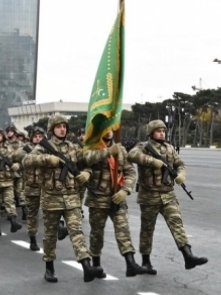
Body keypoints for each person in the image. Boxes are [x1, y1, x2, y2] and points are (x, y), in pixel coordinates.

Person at [23, 114, 104, 283]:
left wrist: (87, 173)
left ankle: (86, 265)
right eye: (59, 126)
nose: (62, 129)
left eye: (64, 126)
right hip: (51, 198)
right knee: (50, 235)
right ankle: (49, 267)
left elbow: (86, 162)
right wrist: (48, 159)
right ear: (52, 128)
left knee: (76, 231)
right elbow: (27, 160)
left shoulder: (73, 148)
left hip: (72, 198)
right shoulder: (44, 147)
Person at [128, 120, 207, 273]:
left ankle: (188, 255)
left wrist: (181, 175)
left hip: (168, 194)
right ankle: (146, 262)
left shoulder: (170, 148)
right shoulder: (143, 147)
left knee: (176, 223)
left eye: (163, 131)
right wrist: (153, 162)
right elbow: (132, 156)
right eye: (158, 131)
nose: (162, 133)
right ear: (151, 133)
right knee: (147, 229)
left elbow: (180, 164)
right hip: (149, 195)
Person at [82, 130, 148, 277]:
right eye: (106, 128)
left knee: (123, 230)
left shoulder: (121, 150)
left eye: (112, 128)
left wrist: (125, 190)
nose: (109, 132)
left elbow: (130, 172)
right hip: (98, 199)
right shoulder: (91, 147)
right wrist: (107, 152)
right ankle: (96, 265)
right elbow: (87, 160)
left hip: (117, 198)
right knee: (97, 234)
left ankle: (130, 263)